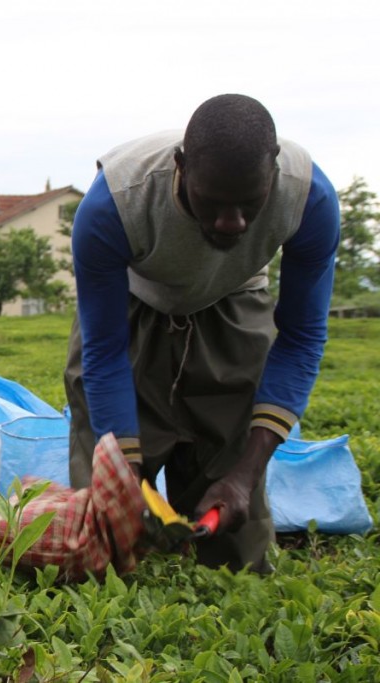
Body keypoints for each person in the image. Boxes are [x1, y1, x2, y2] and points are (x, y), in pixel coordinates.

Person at [64, 94, 340, 573]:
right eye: (212, 202)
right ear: (181, 166)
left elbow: (302, 338)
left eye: (249, 203)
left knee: (236, 554)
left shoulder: (308, 199)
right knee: (105, 534)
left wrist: (245, 473)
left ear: (273, 168)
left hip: (234, 300)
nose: (232, 223)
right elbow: (105, 353)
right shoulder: (116, 203)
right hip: (133, 302)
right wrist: (126, 476)